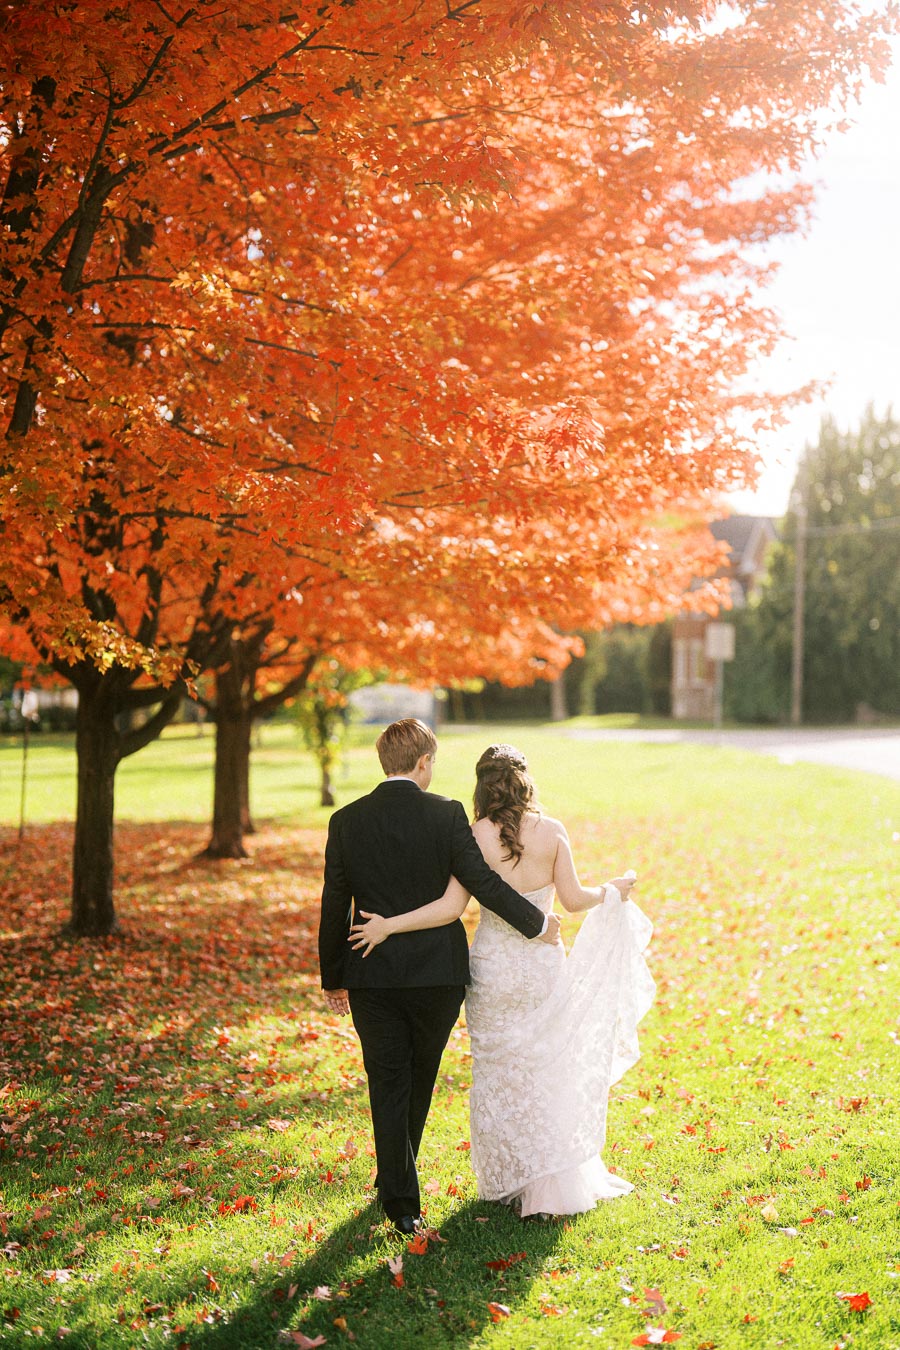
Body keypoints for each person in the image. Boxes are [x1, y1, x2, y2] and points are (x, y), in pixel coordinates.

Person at [349, 742, 655, 1219]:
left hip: (491, 968)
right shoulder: (552, 831)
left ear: (482, 786)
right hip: (541, 967)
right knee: (546, 1068)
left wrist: (389, 924)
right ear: (524, 780)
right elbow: (573, 901)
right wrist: (611, 891)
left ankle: (510, 1180)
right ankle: (551, 1179)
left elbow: (452, 909)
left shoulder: (473, 834)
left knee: (498, 1074)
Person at [318, 720, 561, 1235]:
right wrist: (537, 923)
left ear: (385, 761)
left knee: (387, 1081)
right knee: (419, 1078)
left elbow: (334, 904)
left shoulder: (346, 821)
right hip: (437, 977)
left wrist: (332, 976)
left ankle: (398, 1193)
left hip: (371, 975)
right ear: (423, 761)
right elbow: (481, 885)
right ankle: (399, 1191)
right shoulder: (446, 814)